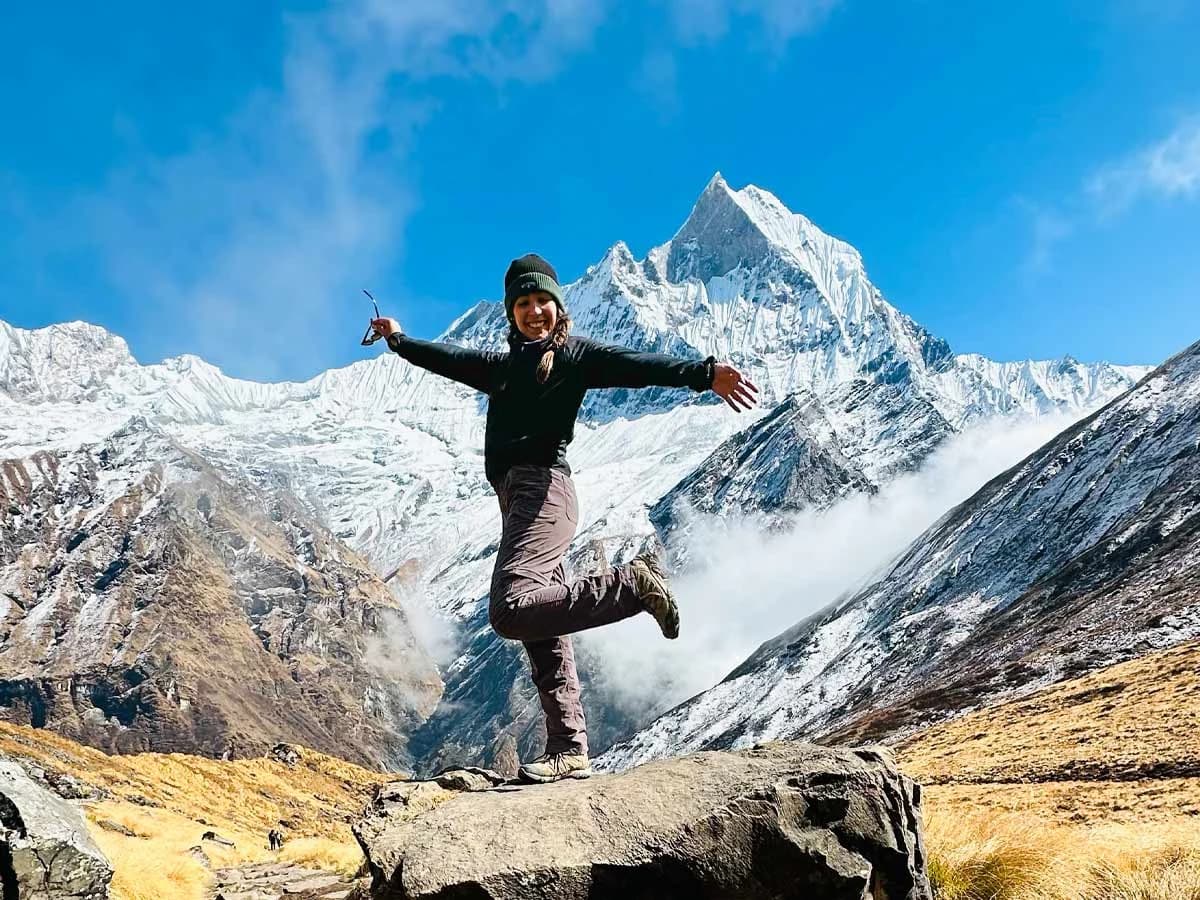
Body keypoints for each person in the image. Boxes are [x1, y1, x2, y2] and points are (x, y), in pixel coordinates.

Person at [370, 253, 759, 783]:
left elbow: (637, 365)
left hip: (545, 493)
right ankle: (569, 747)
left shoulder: (576, 356)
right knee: (544, 630)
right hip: (519, 501)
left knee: (510, 611)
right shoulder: (502, 366)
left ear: (558, 305)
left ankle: (631, 585)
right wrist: (398, 339)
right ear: (511, 313)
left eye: (542, 301)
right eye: (523, 304)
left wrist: (703, 374)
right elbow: (448, 358)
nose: (534, 311)